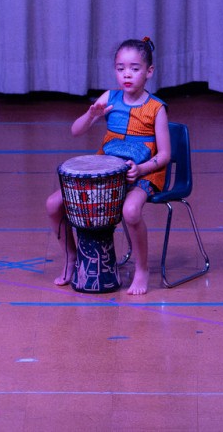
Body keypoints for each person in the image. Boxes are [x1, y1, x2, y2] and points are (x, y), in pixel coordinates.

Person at [46, 37, 171, 295]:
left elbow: (166, 155)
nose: (127, 74)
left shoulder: (156, 108)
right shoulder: (110, 98)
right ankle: (71, 258)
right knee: (53, 204)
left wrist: (143, 169)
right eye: (120, 68)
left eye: (135, 69)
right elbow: (75, 131)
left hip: (143, 174)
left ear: (149, 72)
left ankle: (142, 269)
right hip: (108, 176)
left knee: (131, 211)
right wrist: (91, 115)